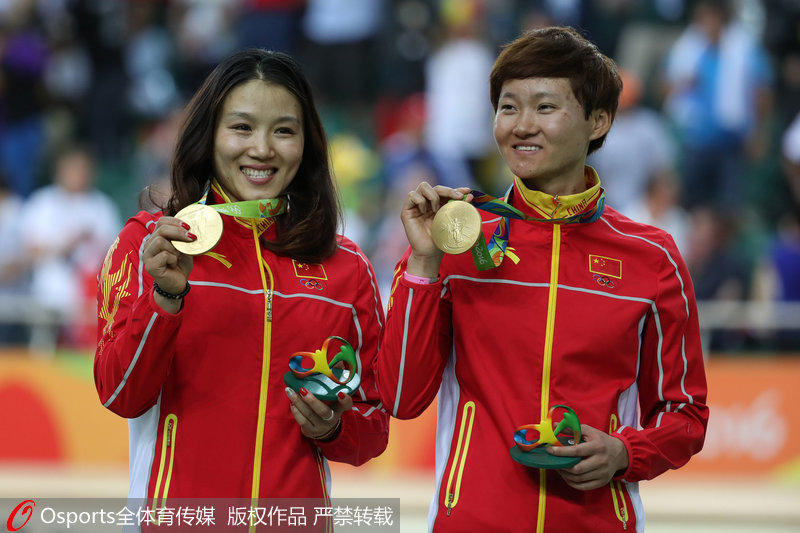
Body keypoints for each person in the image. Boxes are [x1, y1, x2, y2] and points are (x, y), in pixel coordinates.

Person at [375, 26, 709, 532]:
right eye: (508, 107)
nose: (521, 126)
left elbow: (686, 413)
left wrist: (624, 451)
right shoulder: (456, 238)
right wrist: (423, 264)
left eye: (545, 108)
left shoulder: (652, 257)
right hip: (471, 520)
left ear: (598, 121)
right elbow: (400, 396)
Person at [94, 49, 388, 510]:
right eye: (242, 127)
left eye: (284, 131)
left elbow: (373, 431)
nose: (263, 149)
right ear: (208, 134)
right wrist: (166, 297)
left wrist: (333, 428)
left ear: (307, 142)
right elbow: (119, 394)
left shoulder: (347, 267)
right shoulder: (151, 244)